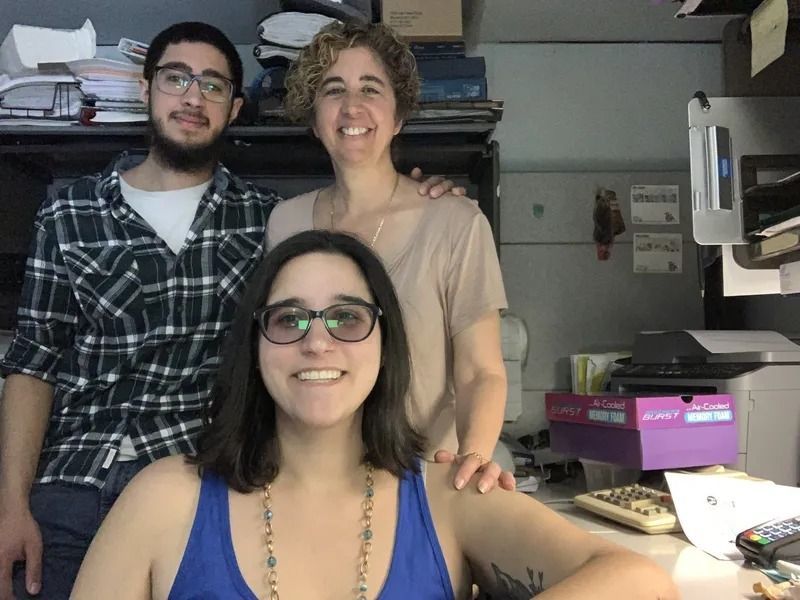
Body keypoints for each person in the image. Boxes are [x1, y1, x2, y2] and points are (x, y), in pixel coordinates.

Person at [0, 21, 463, 600]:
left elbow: (356, 235)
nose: (193, 97)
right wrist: (10, 505)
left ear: (236, 107)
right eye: (177, 78)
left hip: (203, 488)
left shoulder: (269, 221)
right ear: (146, 91)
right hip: (72, 485)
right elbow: (33, 362)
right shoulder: (69, 212)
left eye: (214, 85)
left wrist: (422, 194)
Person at [71, 230, 679, 600]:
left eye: (347, 317)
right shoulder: (163, 497)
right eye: (288, 319)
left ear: (383, 343)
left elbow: (639, 583)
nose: (317, 342)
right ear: (253, 350)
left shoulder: (449, 494)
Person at [267, 21, 512, 494]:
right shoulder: (285, 224)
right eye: (333, 90)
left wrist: (473, 458)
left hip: (415, 480)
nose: (351, 106)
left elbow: (480, 370)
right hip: (306, 483)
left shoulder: (456, 223)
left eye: (370, 89)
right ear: (315, 120)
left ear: (398, 116)